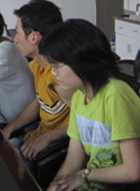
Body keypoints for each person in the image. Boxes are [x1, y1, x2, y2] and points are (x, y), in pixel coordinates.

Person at [40, 19, 140, 190]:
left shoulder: (115, 95)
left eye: (57, 67)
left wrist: (85, 174)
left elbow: (133, 171)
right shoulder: (79, 96)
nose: (54, 73)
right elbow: (73, 160)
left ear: (81, 61)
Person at [3, 0, 70, 166]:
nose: (15, 39)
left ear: (33, 37)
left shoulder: (61, 77)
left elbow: (86, 122)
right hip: (32, 139)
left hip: (50, 150)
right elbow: (38, 103)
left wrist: (48, 137)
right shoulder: (37, 66)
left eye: (18, 32)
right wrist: (10, 128)